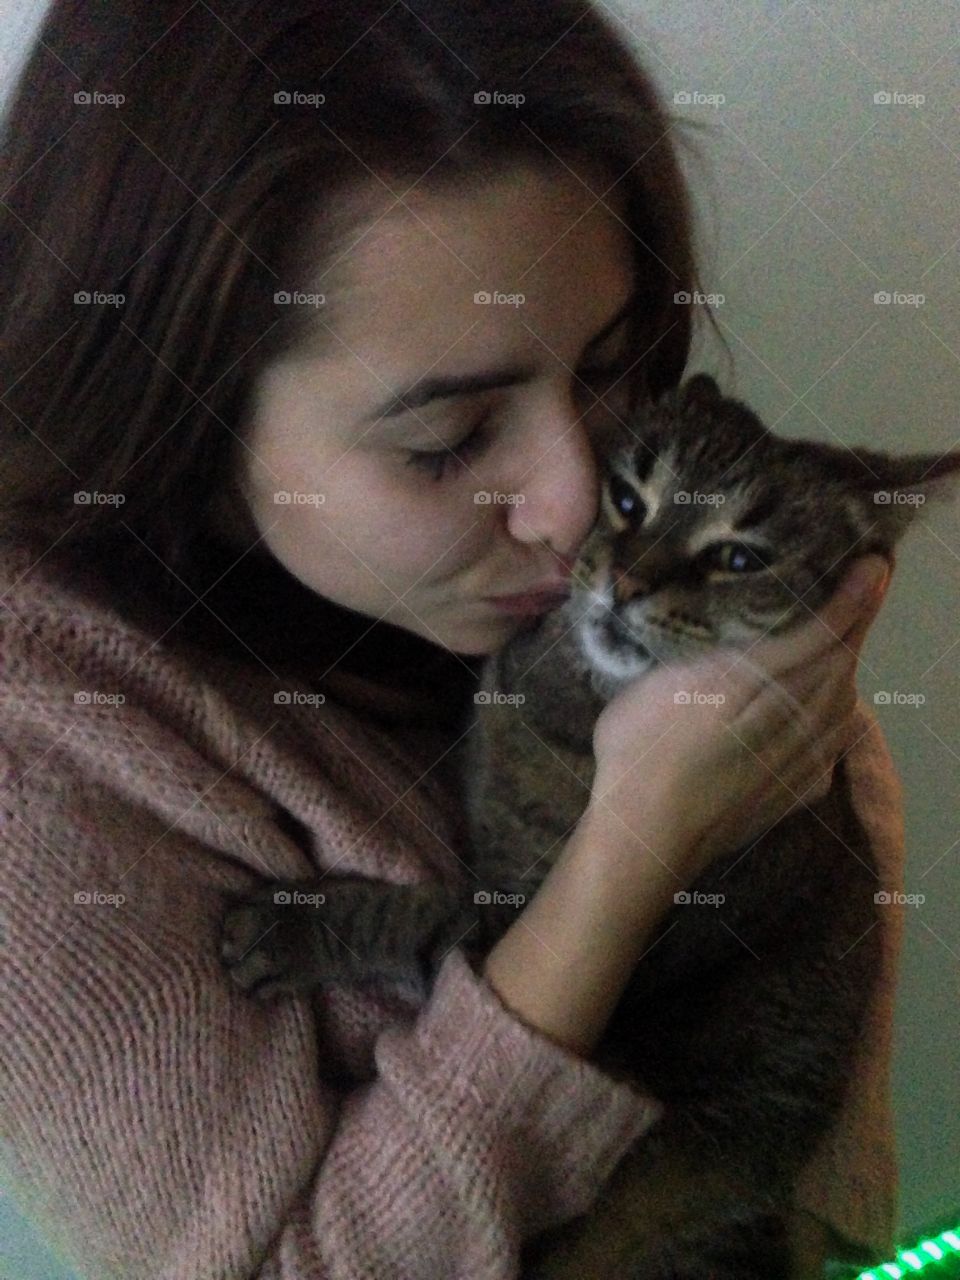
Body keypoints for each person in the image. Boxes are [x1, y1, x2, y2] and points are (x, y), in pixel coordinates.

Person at [0, 2, 905, 1277]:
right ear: (181, 423)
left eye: (609, 365)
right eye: (449, 439)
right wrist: (624, 863)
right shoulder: (39, 780)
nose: (579, 513)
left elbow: (811, 1124)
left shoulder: (621, 547)